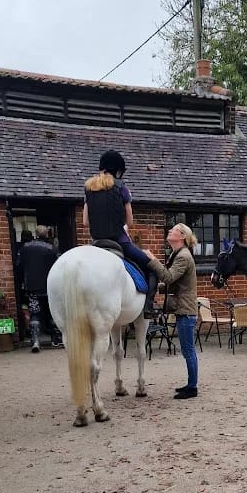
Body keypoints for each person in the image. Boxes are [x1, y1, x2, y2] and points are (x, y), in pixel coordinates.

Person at [83, 150, 158, 318]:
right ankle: (148, 308)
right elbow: (130, 222)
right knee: (151, 267)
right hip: (120, 241)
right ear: (118, 170)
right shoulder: (122, 187)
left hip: (96, 242)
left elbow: (85, 222)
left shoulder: (89, 188)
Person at [147, 224, 199, 399]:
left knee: (188, 350)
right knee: (187, 350)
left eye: (174, 230)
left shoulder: (183, 256)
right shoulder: (178, 254)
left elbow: (168, 277)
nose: (170, 231)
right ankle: (191, 384)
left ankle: (192, 388)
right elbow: (173, 283)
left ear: (182, 236)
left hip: (185, 310)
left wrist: (153, 260)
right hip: (183, 309)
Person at [18, 225, 62, 352]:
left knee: (34, 313)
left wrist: (22, 282)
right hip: (50, 286)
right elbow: (59, 267)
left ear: (35, 234)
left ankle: (35, 340)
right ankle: (56, 339)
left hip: (31, 286)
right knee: (52, 312)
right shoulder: (52, 249)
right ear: (46, 235)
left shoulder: (25, 248)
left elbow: (19, 266)